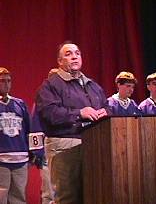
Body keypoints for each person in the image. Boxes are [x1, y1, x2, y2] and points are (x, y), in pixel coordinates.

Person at [35, 41, 110, 204]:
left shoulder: (93, 86)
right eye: (68, 54)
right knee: (68, 197)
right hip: (65, 145)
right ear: (60, 62)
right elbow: (49, 113)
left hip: (93, 144)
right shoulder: (50, 85)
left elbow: (106, 105)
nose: (74, 56)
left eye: (77, 53)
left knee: (94, 194)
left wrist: (106, 112)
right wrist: (79, 113)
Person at [0, 67, 30, 204]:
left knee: (19, 197)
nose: (6, 84)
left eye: (8, 81)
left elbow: (28, 129)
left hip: (20, 158)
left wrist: (32, 153)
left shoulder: (20, 104)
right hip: (1, 159)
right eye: (2, 81)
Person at [30, 68, 59, 204]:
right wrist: (38, 153)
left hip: (63, 150)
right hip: (47, 152)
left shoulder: (67, 101)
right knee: (48, 191)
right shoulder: (41, 101)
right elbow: (35, 127)